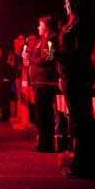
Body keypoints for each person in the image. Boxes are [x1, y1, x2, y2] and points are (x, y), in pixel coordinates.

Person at [57, 0, 95, 178]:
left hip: (77, 76)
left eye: (67, 1)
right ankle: (81, 163)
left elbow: (79, 53)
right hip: (70, 75)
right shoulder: (74, 24)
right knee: (77, 119)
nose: (65, 5)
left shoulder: (84, 24)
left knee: (81, 120)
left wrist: (58, 55)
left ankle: (84, 166)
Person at [30, 16, 59, 152]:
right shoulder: (42, 40)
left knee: (44, 115)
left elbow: (48, 58)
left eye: (40, 25)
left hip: (46, 83)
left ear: (46, 27)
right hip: (40, 83)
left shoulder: (51, 40)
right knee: (40, 115)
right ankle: (43, 142)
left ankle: (46, 144)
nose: (38, 28)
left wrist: (32, 59)